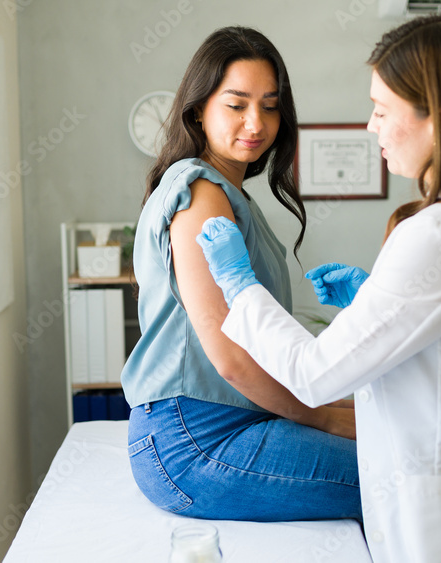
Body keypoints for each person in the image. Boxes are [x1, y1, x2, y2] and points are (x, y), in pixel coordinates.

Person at [196, 14, 441, 562]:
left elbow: (315, 373)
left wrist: (239, 285)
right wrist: (376, 303)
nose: (371, 126)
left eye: (382, 110)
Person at [120, 26, 362, 522]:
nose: (256, 122)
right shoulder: (203, 196)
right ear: (198, 110)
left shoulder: (228, 193)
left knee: (394, 446)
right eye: (237, 104)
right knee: (400, 474)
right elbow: (229, 358)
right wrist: (325, 419)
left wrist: (337, 405)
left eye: (270, 105)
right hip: (195, 441)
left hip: (229, 422)